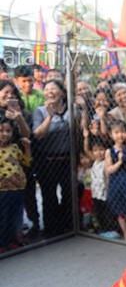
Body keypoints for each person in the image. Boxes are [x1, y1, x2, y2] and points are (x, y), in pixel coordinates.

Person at [32, 79, 78, 238]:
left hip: (67, 159)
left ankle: (68, 226)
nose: (50, 91)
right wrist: (49, 117)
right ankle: (51, 229)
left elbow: (79, 129)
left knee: (69, 194)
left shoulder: (72, 109)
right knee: (49, 195)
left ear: (63, 92)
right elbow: (37, 135)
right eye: (47, 89)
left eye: (54, 88)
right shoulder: (40, 111)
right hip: (47, 161)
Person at [0, 116, 30, 252]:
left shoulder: (14, 147)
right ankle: (2, 243)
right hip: (2, 189)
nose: (5, 134)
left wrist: (27, 148)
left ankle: (15, 239)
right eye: (1, 131)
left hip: (18, 187)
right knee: (3, 215)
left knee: (17, 214)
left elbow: (26, 162)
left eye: (8, 131)